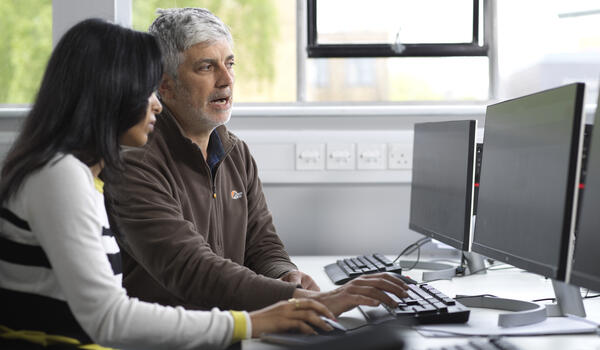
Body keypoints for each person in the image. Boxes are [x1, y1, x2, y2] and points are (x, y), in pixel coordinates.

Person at [0, 18, 345, 350]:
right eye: (146, 88)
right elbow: (111, 318)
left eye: (229, 64)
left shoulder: (79, 176)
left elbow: (262, 243)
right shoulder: (60, 176)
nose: (155, 102)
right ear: (109, 93)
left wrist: (287, 284)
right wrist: (257, 321)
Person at [104, 7, 410, 315]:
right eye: (206, 67)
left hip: (236, 328)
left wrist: (283, 273)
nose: (226, 80)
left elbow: (262, 243)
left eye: (230, 64)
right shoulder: (135, 162)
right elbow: (192, 269)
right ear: (165, 85)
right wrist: (306, 299)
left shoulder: (236, 153)